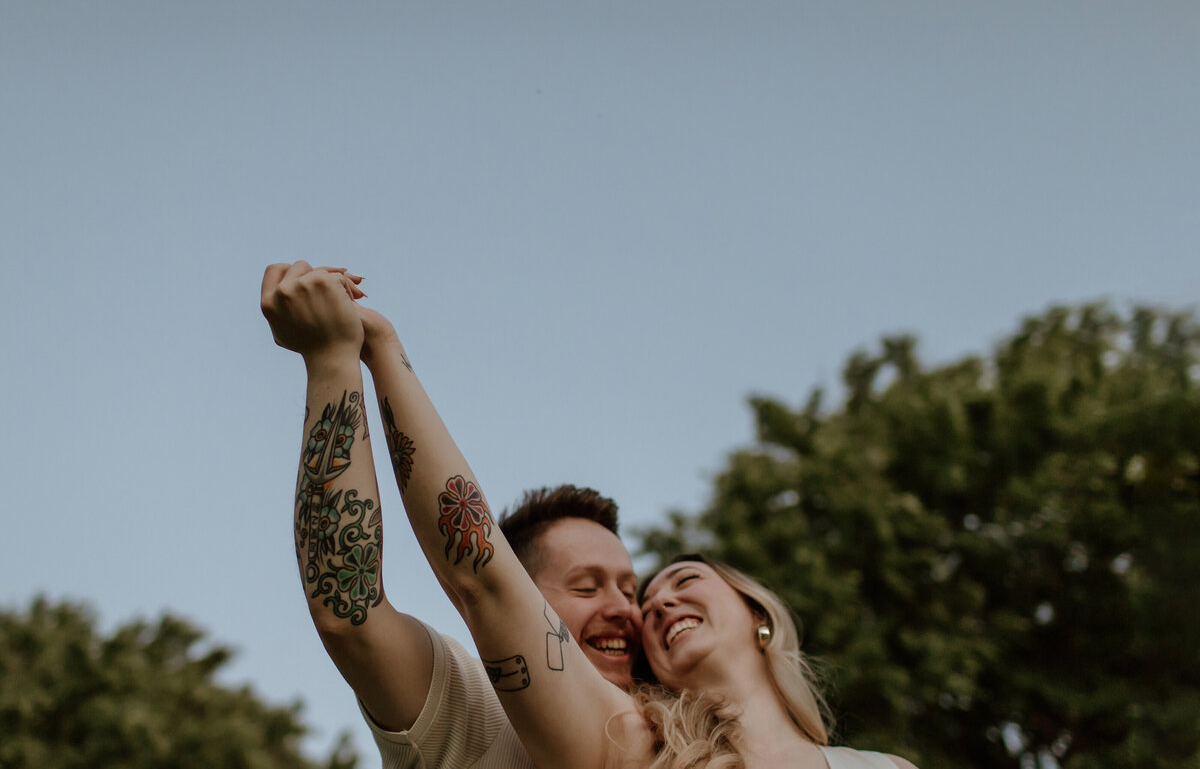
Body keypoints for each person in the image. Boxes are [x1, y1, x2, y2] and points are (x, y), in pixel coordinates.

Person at [262, 262, 919, 769]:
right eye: (585, 586)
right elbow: (465, 578)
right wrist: (344, 358)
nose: (638, 611)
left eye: (649, 588)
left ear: (760, 617)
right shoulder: (610, 743)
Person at [260, 262, 641, 768]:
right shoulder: (477, 711)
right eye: (587, 587)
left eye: (633, 591)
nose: (624, 610)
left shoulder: (695, 739)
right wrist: (335, 358)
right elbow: (351, 618)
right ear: (522, 596)